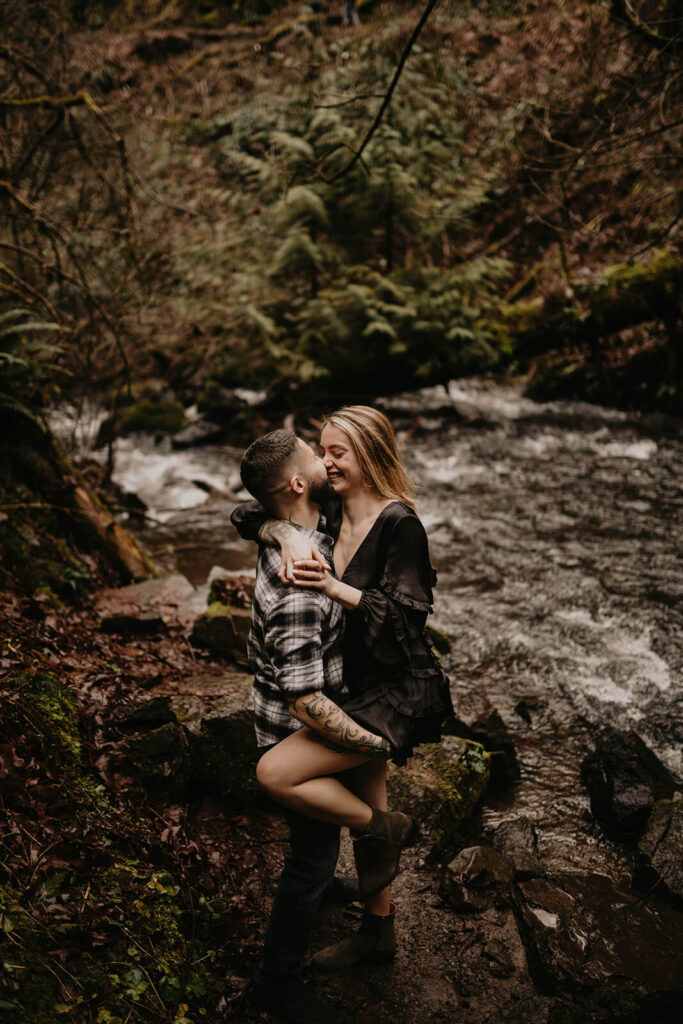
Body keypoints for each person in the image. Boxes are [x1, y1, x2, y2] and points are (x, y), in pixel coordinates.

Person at [232, 406, 454, 973]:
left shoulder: (400, 524)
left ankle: (373, 927)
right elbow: (247, 510)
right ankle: (379, 933)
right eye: (323, 451)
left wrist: (333, 586)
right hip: (348, 682)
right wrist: (281, 531)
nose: (328, 462)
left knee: (364, 813)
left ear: (371, 454)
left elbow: (409, 618)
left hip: (395, 688)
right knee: (370, 814)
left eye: (339, 452)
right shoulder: (326, 508)